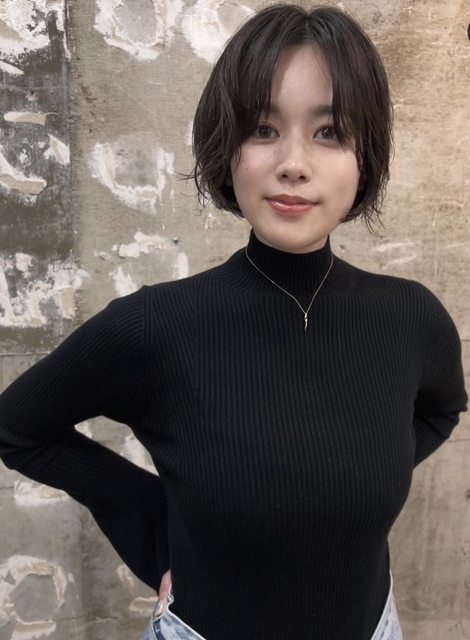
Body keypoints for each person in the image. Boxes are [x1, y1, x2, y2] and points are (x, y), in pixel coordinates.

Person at [0, 4, 467, 640]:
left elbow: (441, 411)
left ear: (366, 156)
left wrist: (349, 478)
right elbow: (19, 427)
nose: (294, 162)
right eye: (263, 129)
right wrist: (161, 532)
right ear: (227, 147)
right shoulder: (156, 327)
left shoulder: (410, 317)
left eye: (330, 132)